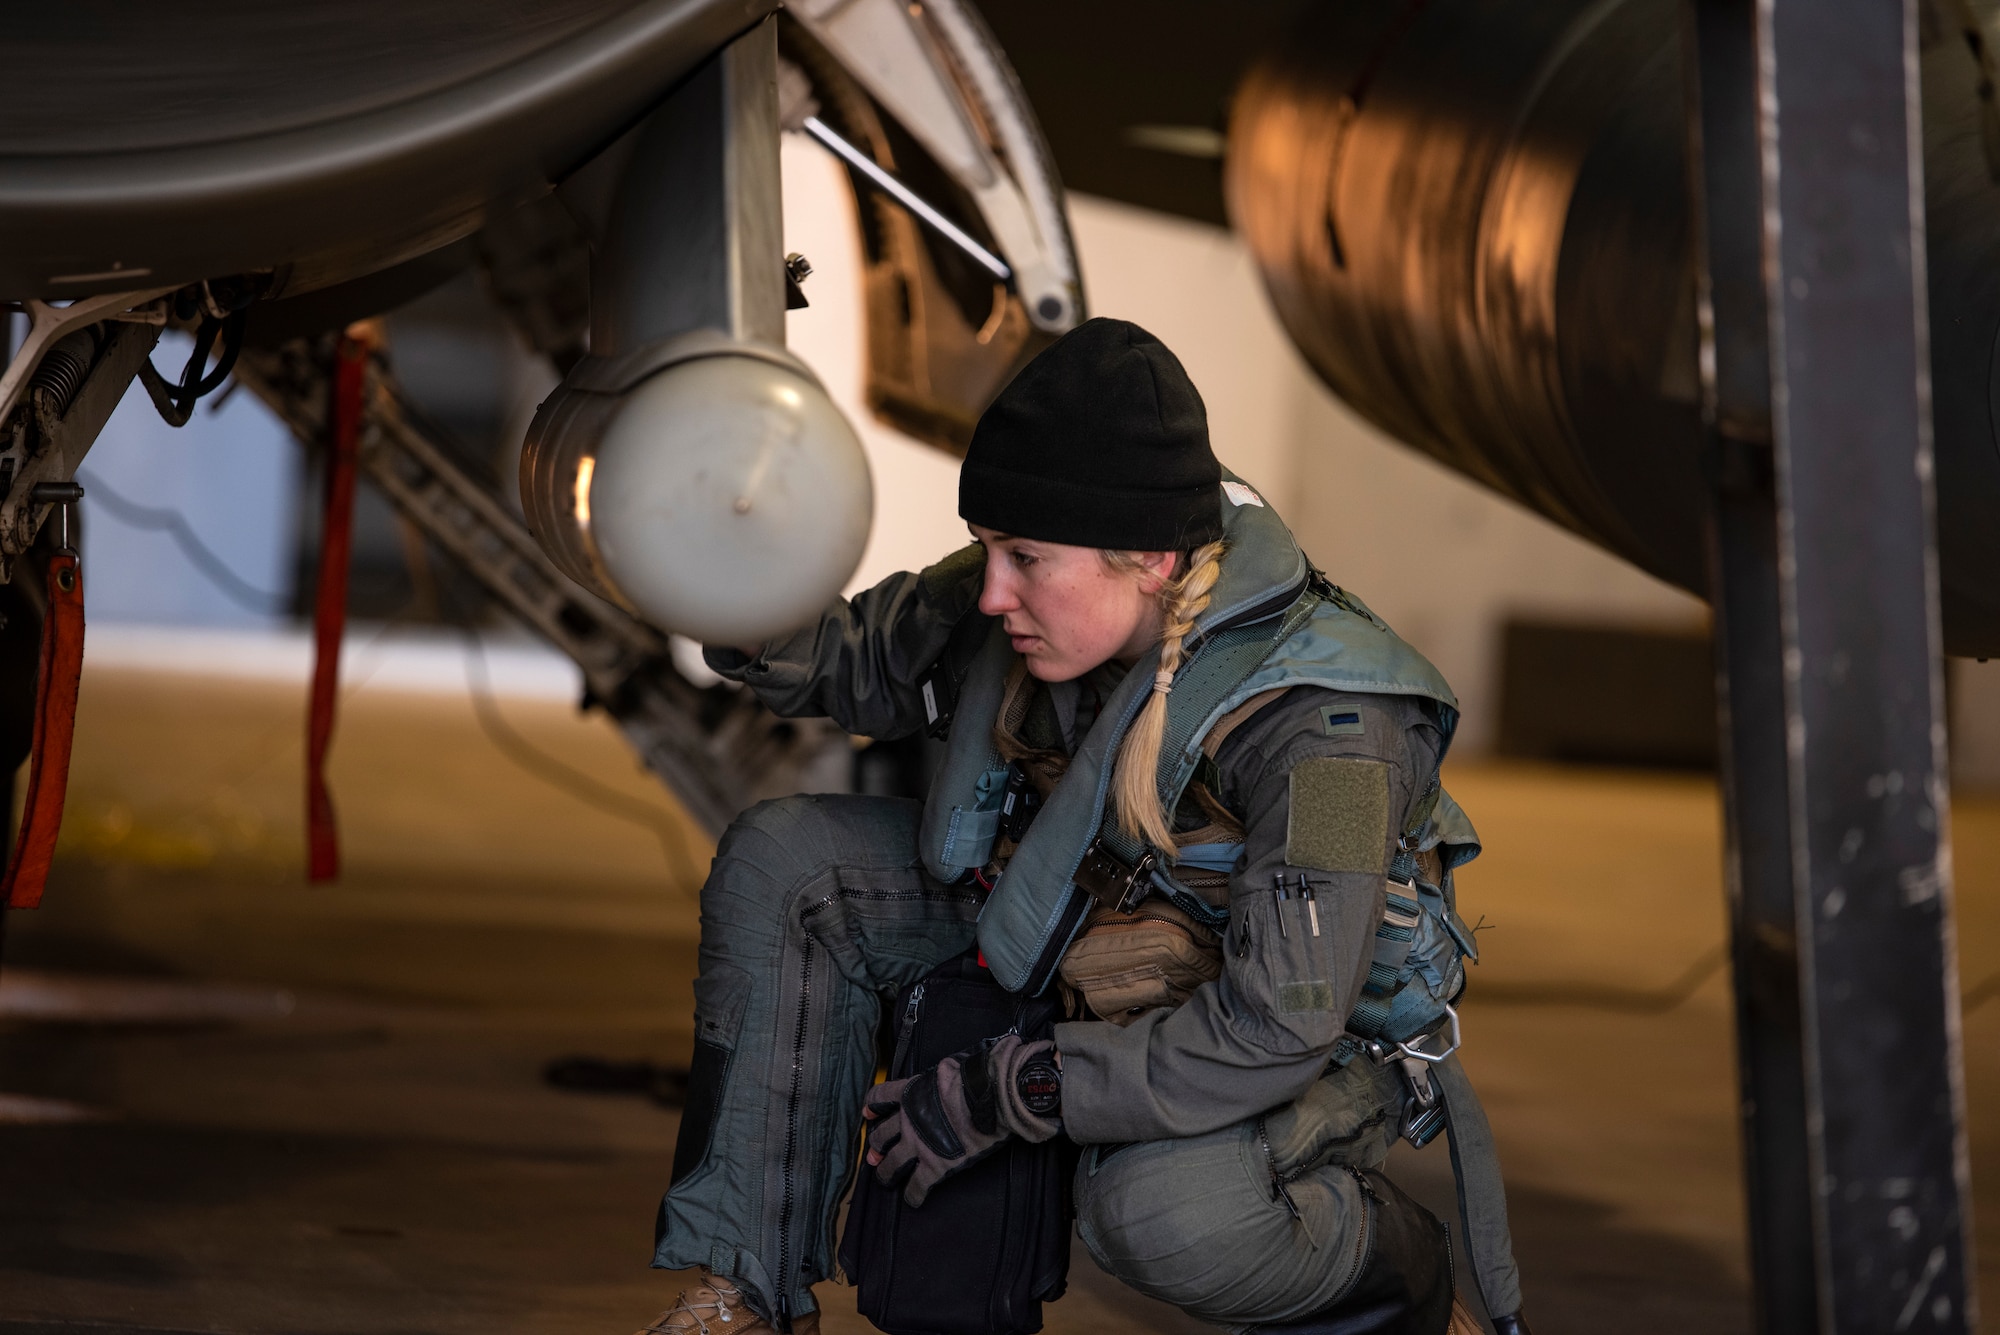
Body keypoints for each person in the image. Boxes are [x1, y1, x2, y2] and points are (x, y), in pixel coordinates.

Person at [636, 318, 1529, 1335]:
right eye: (985, 551)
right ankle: (740, 1295)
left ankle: (1403, 1290)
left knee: (1165, 1216)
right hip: (1079, 939)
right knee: (790, 861)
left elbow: (1279, 1024)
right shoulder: (1058, 581)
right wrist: (710, 570)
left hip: (1280, 1041)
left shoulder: (1331, 735)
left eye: (1022, 560)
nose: (990, 593)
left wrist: (1018, 1087)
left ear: (1149, 559)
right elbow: (858, 658)